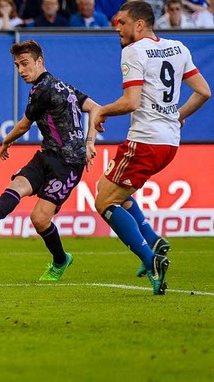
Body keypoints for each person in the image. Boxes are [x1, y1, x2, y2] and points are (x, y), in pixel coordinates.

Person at [88, 1, 210, 295]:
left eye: (122, 23)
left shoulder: (133, 51)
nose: (117, 27)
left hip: (145, 140)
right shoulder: (178, 48)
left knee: (104, 203)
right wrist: (177, 116)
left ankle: (151, 258)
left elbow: (131, 101)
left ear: (139, 24)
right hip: (169, 143)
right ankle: (153, 239)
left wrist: (102, 111)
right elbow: (204, 91)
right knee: (110, 188)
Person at [0, 40, 101, 281]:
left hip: (68, 163)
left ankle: (61, 260)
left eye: (25, 64)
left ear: (40, 62)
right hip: (47, 154)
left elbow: (23, 125)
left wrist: (6, 141)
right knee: (18, 184)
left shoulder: (43, 89)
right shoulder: (65, 86)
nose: (21, 70)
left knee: (39, 220)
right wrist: (90, 140)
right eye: (17, 65)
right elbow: (94, 107)